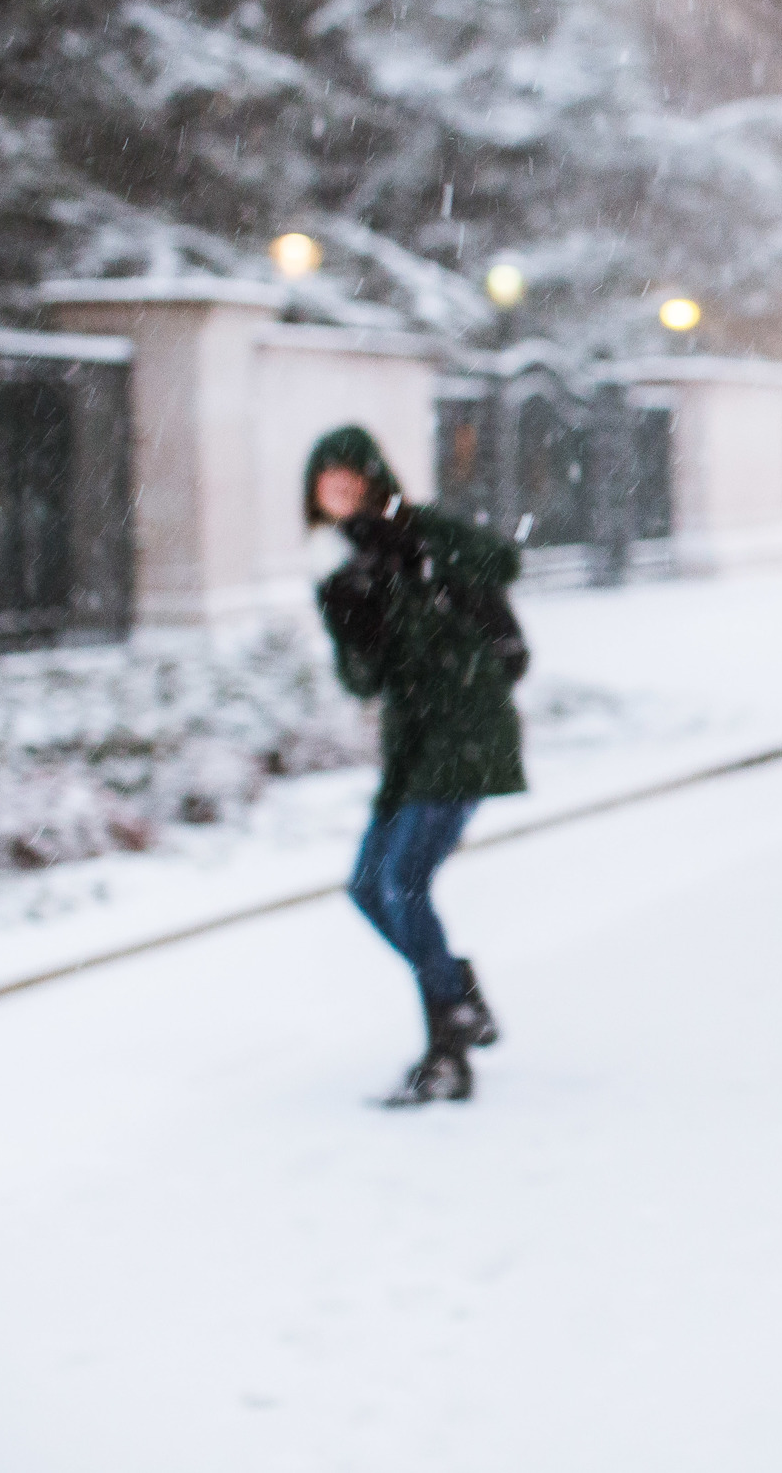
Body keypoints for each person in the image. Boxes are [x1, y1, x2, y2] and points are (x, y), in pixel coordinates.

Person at [305, 426, 528, 1107]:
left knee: (403, 882)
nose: (340, 491)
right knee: (369, 887)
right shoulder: (340, 566)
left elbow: (501, 565)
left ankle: (448, 1046)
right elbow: (364, 680)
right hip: (410, 744)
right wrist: (348, 618)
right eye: (327, 482)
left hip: (463, 732)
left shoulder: (420, 532)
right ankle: (455, 994)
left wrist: (421, 541)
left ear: (375, 479)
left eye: (352, 478)